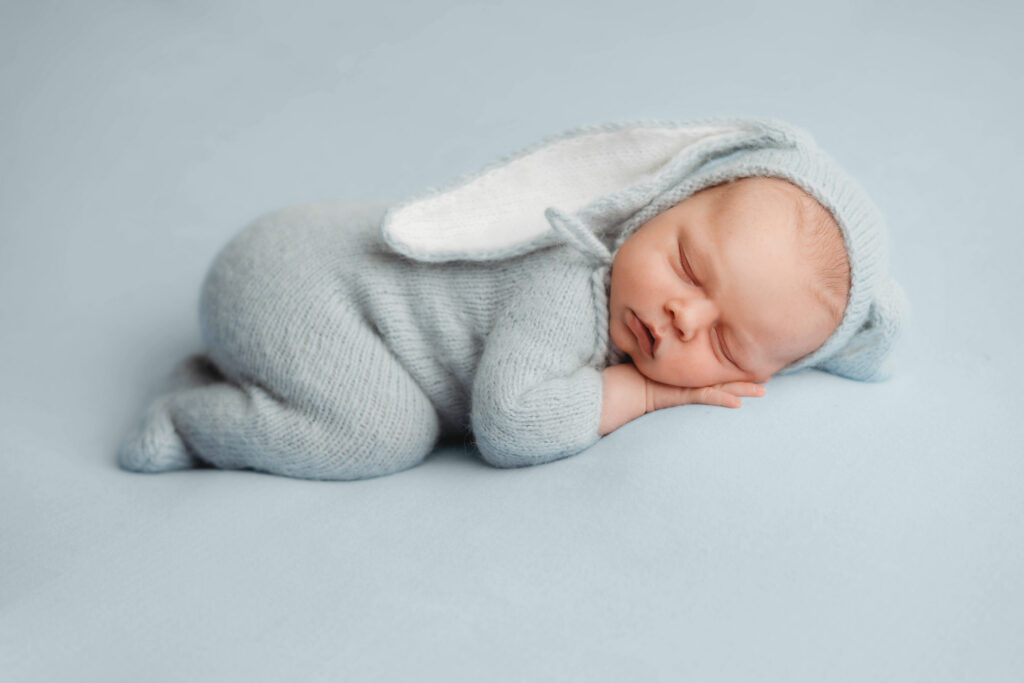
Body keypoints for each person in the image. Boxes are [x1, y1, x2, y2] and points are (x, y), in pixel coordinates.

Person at [117, 117, 907, 480]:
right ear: (661, 200)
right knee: (381, 435)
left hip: (297, 287)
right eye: (689, 268)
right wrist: (637, 391)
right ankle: (191, 416)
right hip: (298, 284)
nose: (682, 317)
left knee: (371, 407)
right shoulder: (568, 282)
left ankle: (250, 374)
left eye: (728, 344)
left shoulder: (658, 300)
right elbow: (511, 424)